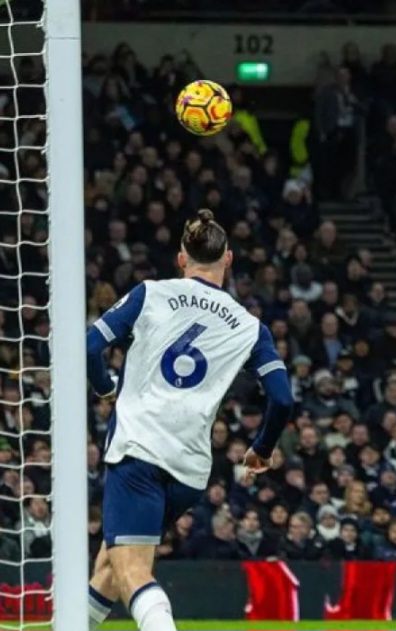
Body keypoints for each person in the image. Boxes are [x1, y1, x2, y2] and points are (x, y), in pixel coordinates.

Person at [85, 210, 294, 631]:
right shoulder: (251, 328)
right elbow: (283, 399)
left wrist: (105, 388)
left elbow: (91, 345)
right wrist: (262, 449)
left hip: (139, 451)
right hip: (189, 470)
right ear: (229, 259)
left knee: (132, 570)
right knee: (112, 560)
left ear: (182, 258)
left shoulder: (151, 294)